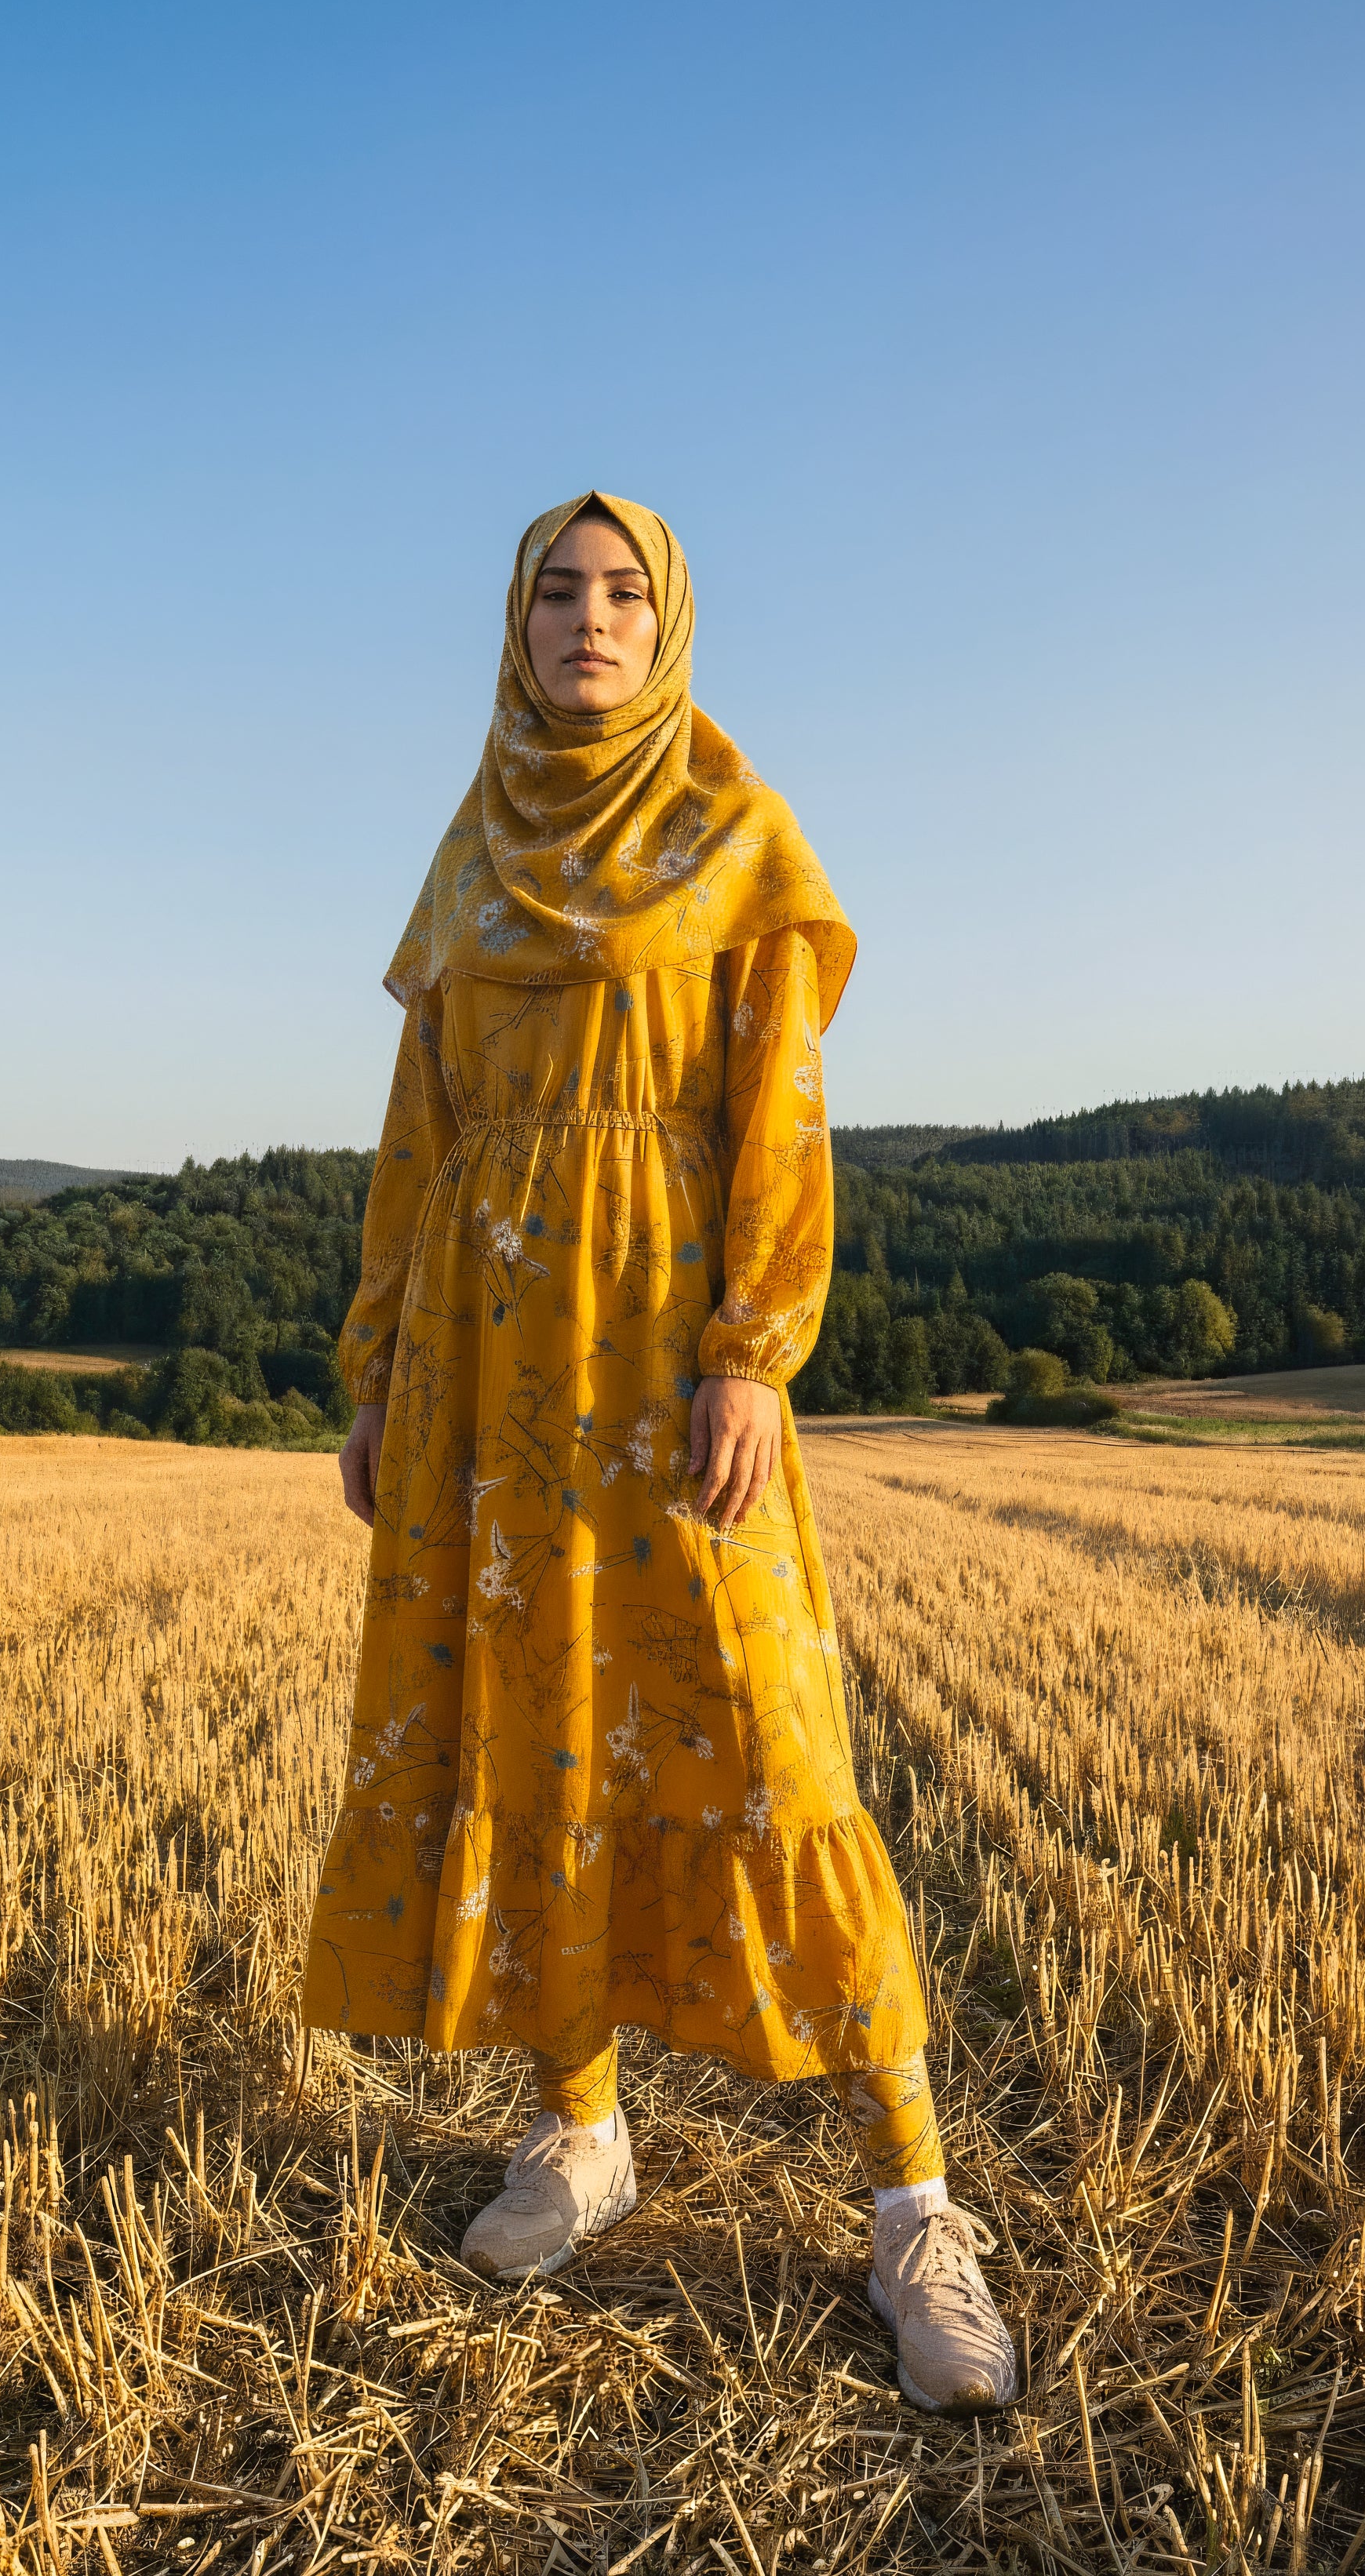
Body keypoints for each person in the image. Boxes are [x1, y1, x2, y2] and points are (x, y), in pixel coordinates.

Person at [303, 491, 1016, 2413]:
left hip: (665, 1346)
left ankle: (913, 2211)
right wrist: (377, 1370)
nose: (589, 619)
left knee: (776, 1743)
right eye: (557, 591)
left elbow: (782, 1111)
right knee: (535, 1725)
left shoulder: (736, 840)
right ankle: (582, 2129)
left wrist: (753, 1352)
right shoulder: (471, 860)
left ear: (671, 622)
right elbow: (419, 1140)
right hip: (485, 1363)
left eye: (625, 593)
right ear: (514, 626)